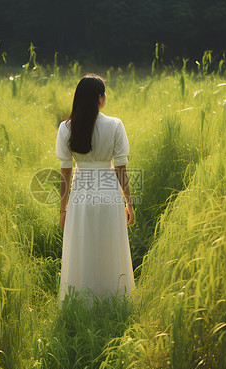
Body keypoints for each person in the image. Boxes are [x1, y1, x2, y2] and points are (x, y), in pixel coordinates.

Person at [55, 74, 135, 308]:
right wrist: (129, 202)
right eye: (104, 93)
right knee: (110, 244)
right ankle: (114, 302)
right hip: (109, 191)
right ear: (100, 98)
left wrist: (62, 209)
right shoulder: (115, 124)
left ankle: (81, 303)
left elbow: (65, 173)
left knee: (82, 245)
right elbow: (121, 169)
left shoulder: (66, 128)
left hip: (81, 192)